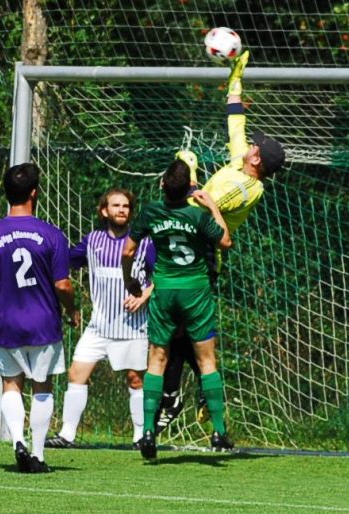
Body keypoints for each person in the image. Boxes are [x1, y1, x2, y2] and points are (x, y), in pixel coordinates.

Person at [157, 50, 287, 432]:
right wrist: (234, 80)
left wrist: (190, 172)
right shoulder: (237, 165)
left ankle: (181, 396)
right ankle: (190, 394)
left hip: (203, 261)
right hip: (186, 255)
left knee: (185, 332)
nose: (250, 144)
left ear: (257, 160)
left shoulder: (245, 189)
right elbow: (236, 123)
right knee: (181, 331)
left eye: (254, 145)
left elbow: (202, 212)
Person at [122, 158, 232, 460]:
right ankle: (219, 431)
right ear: (190, 190)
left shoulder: (151, 212)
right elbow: (225, 241)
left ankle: (147, 431)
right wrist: (211, 206)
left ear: (162, 186)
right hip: (195, 290)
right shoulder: (197, 216)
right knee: (207, 360)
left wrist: (130, 280)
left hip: (166, 291)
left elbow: (128, 250)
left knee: (157, 359)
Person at [0, 162, 80, 473]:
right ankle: (38, 454)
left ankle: (17, 440)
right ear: (35, 193)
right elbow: (62, 284)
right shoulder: (51, 234)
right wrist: (72, 309)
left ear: (8, 193)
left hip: (8, 322)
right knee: (42, 386)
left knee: (10, 384)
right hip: (44, 324)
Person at [45, 188, 155, 450]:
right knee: (76, 374)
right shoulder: (92, 240)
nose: (121, 210)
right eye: (116, 205)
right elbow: (67, 262)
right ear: (104, 211)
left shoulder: (145, 242)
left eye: (126, 206)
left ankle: (140, 437)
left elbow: (162, 273)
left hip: (132, 325)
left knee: (135, 379)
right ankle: (67, 435)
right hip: (99, 326)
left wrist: (145, 295)